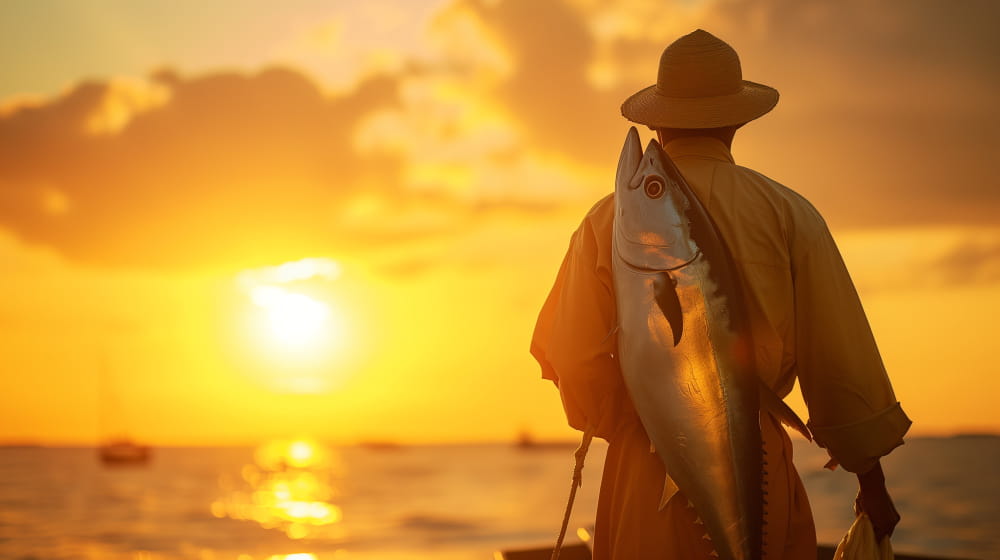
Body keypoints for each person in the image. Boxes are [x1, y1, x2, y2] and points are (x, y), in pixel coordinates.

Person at [530, 29, 911, 559]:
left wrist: (644, 423)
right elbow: (841, 367)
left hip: (643, 476)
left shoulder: (607, 219)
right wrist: (872, 483)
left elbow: (571, 355)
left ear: (657, 119)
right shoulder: (790, 214)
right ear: (738, 119)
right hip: (759, 471)